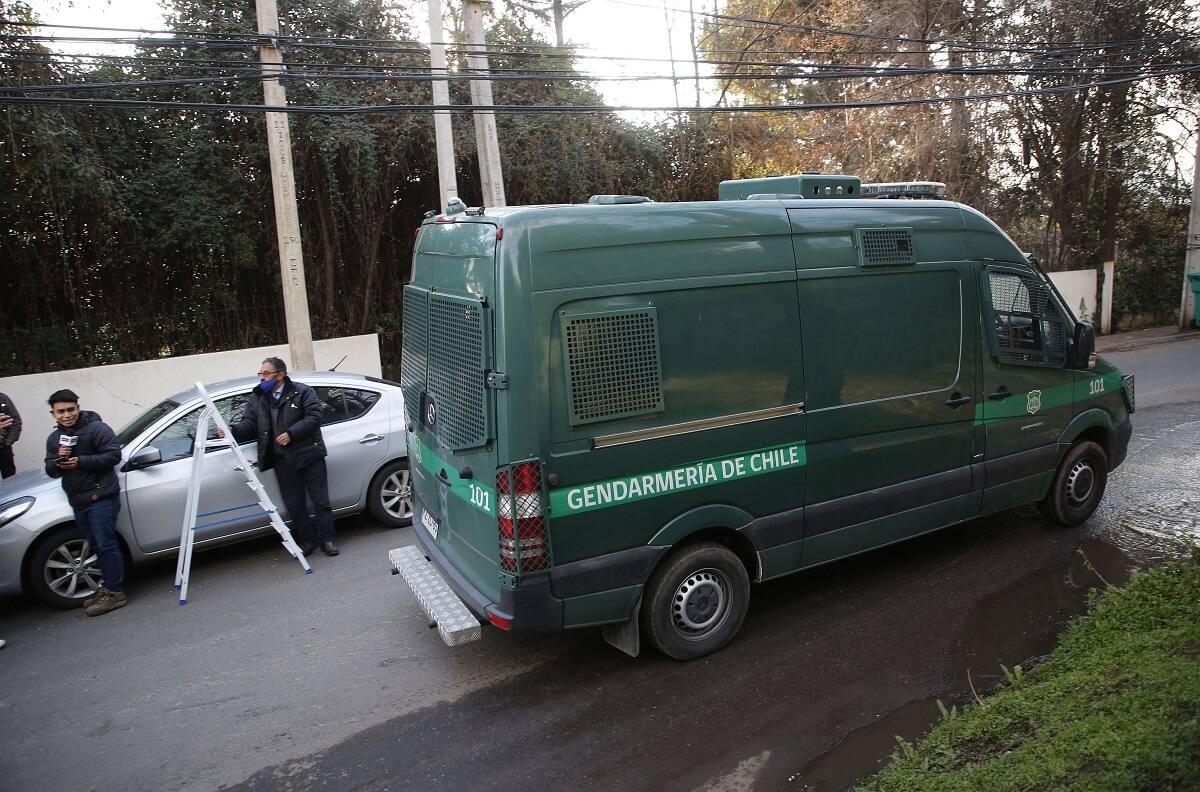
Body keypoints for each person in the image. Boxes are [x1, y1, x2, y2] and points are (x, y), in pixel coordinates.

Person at [228, 357, 338, 556]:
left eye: (267, 374)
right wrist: (232, 430)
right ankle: (307, 541)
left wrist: (292, 434)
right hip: (282, 460)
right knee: (294, 505)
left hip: (309, 454)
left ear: (280, 375)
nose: (262, 378)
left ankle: (327, 539)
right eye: (260, 374)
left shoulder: (302, 392)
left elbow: (315, 417)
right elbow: (250, 424)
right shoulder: (258, 397)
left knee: (320, 501)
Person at [43, 389, 127, 616]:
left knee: (106, 543)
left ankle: (115, 592)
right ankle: (108, 587)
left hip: (102, 497)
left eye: (70, 409)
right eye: (61, 411)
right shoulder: (54, 439)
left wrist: (80, 461)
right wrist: (59, 461)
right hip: (78, 500)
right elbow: (50, 469)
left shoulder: (97, 428)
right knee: (97, 546)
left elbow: (113, 455)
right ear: (53, 413)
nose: (66, 415)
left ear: (78, 407)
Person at [0, 392, 22, 479]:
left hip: (3, 448)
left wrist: (8, 442)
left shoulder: (2, 398)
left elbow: (16, 421)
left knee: (10, 480)